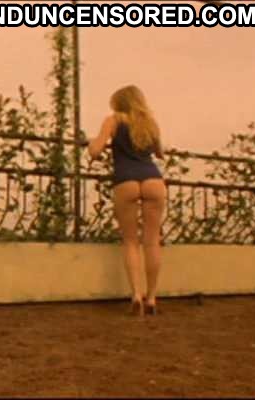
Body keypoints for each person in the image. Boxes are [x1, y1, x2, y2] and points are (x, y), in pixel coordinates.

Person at [88, 85, 167, 316]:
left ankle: (136, 296)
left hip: (126, 180)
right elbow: (160, 153)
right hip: (153, 179)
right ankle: (152, 298)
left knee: (131, 241)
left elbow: (95, 150)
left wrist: (92, 143)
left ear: (118, 103)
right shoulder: (150, 123)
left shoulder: (113, 120)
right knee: (152, 241)